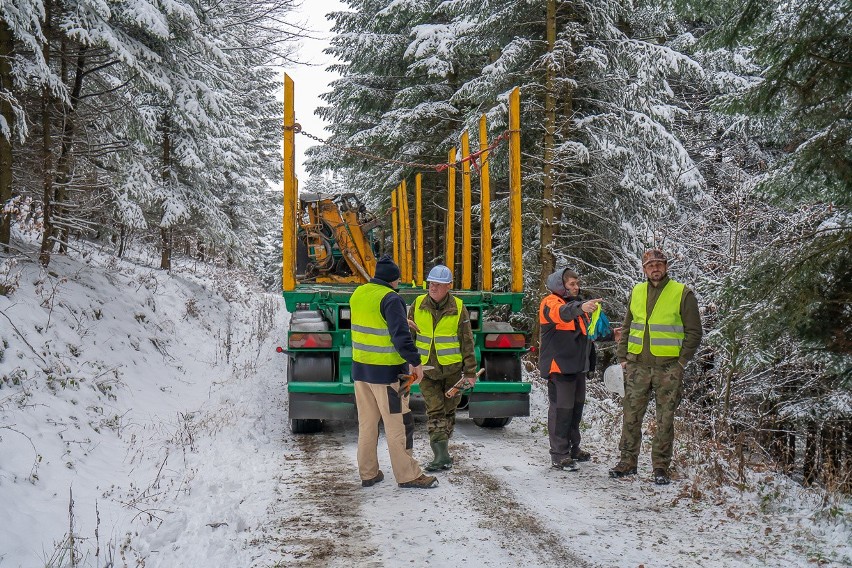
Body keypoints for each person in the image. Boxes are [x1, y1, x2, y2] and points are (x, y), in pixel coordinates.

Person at [609, 249, 703, 485]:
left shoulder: (682, 293)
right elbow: (628, 325)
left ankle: (660, 467)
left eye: (659, 264)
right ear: (644, 269)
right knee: (631, 416)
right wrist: (623, 357)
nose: (655, 268)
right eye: (650, 265)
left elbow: (694, 332)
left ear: (666, 266)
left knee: (665, 419)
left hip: (668, 368)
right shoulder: (637, 291)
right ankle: (627, 462)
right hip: (637, 365)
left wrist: (681, 363)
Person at [350, 255, 438, 489]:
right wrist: (416, 363)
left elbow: (372, 321)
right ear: (393, 279)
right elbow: (400, 339)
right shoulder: (392, 298)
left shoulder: (359, 293)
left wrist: (398, 320)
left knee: (367, 424)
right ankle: (408, 475)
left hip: (361, 371)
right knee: (397, 424)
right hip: (388, 375)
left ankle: (368, 473)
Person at [407, 264, 477, 471]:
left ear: (448, 286)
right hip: (426, 370)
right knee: (435, 411)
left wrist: (470, 371)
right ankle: (440, 456)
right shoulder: (418, 304)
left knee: (449, 411)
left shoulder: (458, 308)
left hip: (453, 371)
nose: (433, 288)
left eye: (438, 284)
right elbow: (409, 337)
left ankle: (443, 452)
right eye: (431, 284)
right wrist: (410, 363)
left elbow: (467, 341)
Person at [538, 268, 604, 471]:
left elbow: (587, 334)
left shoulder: (576, 307)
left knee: (575, 410)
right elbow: (563, 314)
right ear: (561, 285)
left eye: (577, 283)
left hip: (577, 367)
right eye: (572, 284)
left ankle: (574, 448)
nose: (576, 287)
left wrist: (612, 335)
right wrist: (582, 307)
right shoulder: (551, 303)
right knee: (561, 411)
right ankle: (559, 454)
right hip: (560, 367)